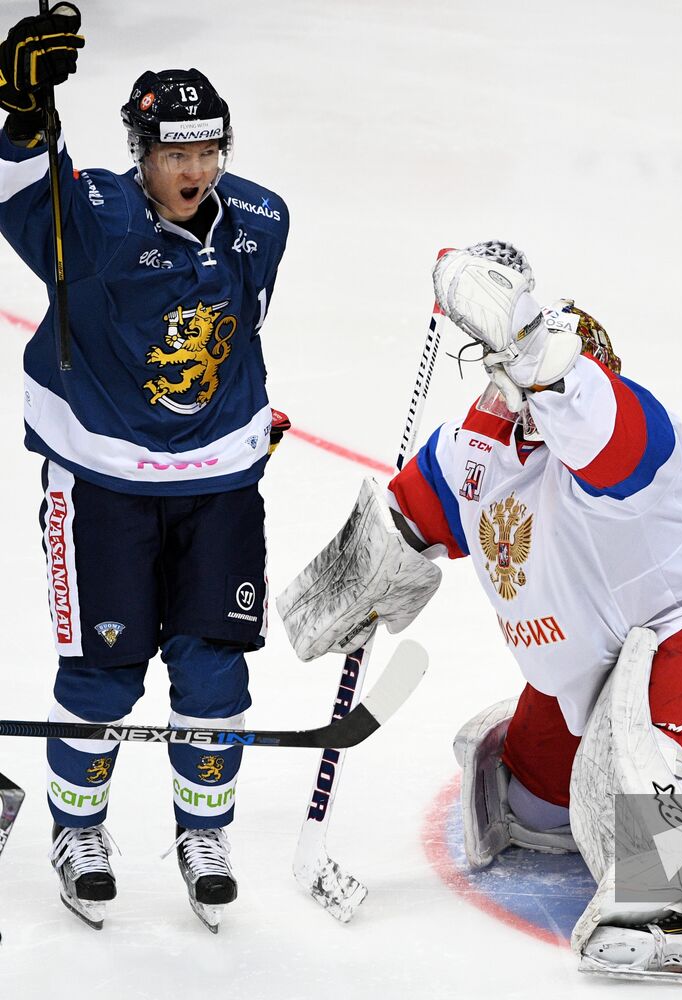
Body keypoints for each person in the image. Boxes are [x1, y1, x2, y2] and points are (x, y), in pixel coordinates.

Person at [280, 241, 682, 982]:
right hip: (595, 658)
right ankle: (588, 778)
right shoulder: (476, 452)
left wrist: (528, 339)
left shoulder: (632, 432)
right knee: (537, 809)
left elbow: (586, 411)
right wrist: (357, 576)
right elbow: (407, 521)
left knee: (650, 772)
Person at [0, 5, 289, 931]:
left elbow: (244, 329)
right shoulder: (95, 221)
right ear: (141, 152)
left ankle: (204, 836)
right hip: (102, 485)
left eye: (208, 151)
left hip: (220, 486)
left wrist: (244, 424)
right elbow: (18, 194)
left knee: (215, 676)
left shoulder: (261, 218)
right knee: (105, 674)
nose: (195, 171)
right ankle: (78, 832)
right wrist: (23, 118)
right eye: (175, 154)